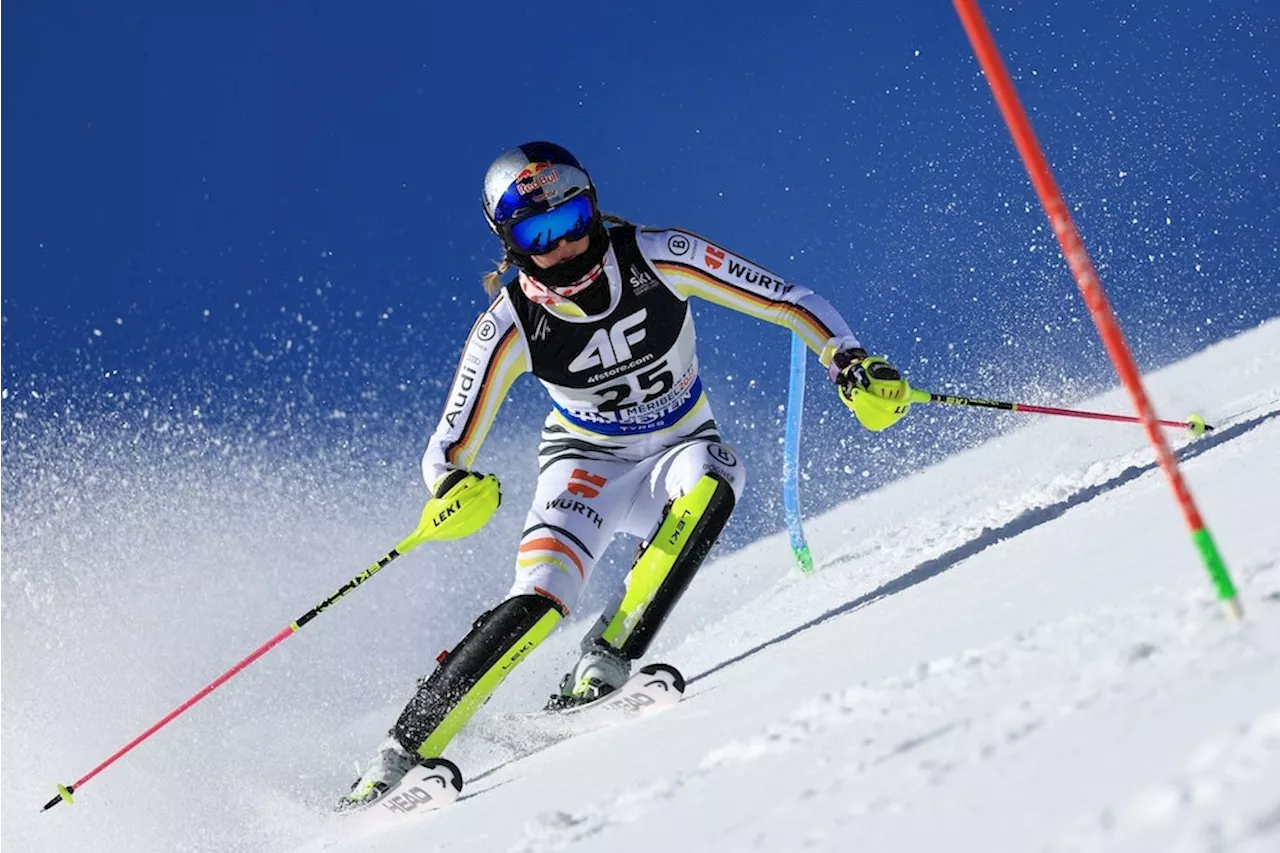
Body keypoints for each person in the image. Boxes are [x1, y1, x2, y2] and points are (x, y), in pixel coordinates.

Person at [336, 141, 911, 809]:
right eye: (539, 234)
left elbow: (788, 298)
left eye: (574, 218)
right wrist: (450, 488)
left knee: (716, 474)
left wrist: (848, 359)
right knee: (537, 601)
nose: (566, 246)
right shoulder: (509, 323)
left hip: (678, 447)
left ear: (594, 206)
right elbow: (448, 446)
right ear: (510, 242)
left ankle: (603, 662)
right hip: (585, 468)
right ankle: (396, 756)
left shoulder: (658, 256)